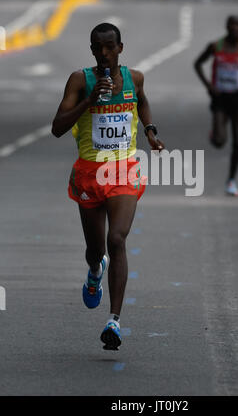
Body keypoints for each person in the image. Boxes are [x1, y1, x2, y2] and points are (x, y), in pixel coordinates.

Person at [52, 22, 164, 350]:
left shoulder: (135, 78)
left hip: (124, 169)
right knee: (96, 250)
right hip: (89, 172)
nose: (104, 54)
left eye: (109, 47)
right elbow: (57, 128)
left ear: (120, 48)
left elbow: (141, 101)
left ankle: (113, 320)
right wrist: (88, 101)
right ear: (91, 50)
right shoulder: (79, 81)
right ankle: (94, 270)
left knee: (116, 239)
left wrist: (150, 130)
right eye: (97, 48)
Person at [194, 15, 238, 196]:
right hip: (220, 98)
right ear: (226, 26)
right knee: (219, 142)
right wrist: (208, 86)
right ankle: (215, 133)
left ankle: (231, 181)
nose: (235, 28)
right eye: (232, 25)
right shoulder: (215, 46)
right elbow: (198, 64)